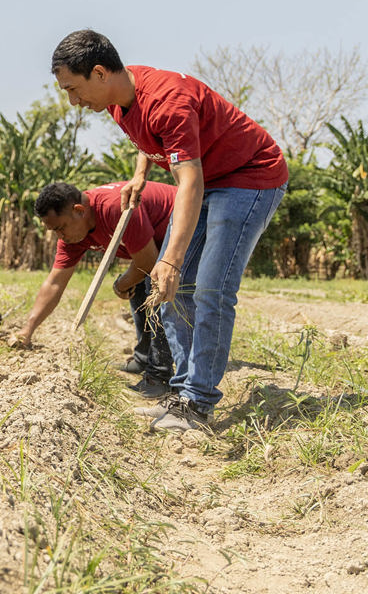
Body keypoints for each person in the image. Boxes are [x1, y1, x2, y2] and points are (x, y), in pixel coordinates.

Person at [52, 30, 288, 433]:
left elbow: (189, 182)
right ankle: (181, 392)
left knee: (210, 290)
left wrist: (172, 259)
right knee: (170, 293)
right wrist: (140, 174)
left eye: (74, 90)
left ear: (99, 72)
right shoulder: (119, 101)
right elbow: (150, 140)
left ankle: (197, 404)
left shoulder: (167, 102)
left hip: (250, 177)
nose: (73, 101)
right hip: (211, 179)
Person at [15, 181, 177, 398]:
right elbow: (55, 282)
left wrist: (121, 284)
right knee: (137, 284)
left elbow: (148, 263)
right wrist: (27, 330)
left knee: (153, 284)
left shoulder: (114, 208)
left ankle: (159, 375)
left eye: (60, 228)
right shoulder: (72, 233)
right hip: (152, 246)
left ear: (79, 211)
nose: (59, 236)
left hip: (187, 225)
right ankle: (144, 358)